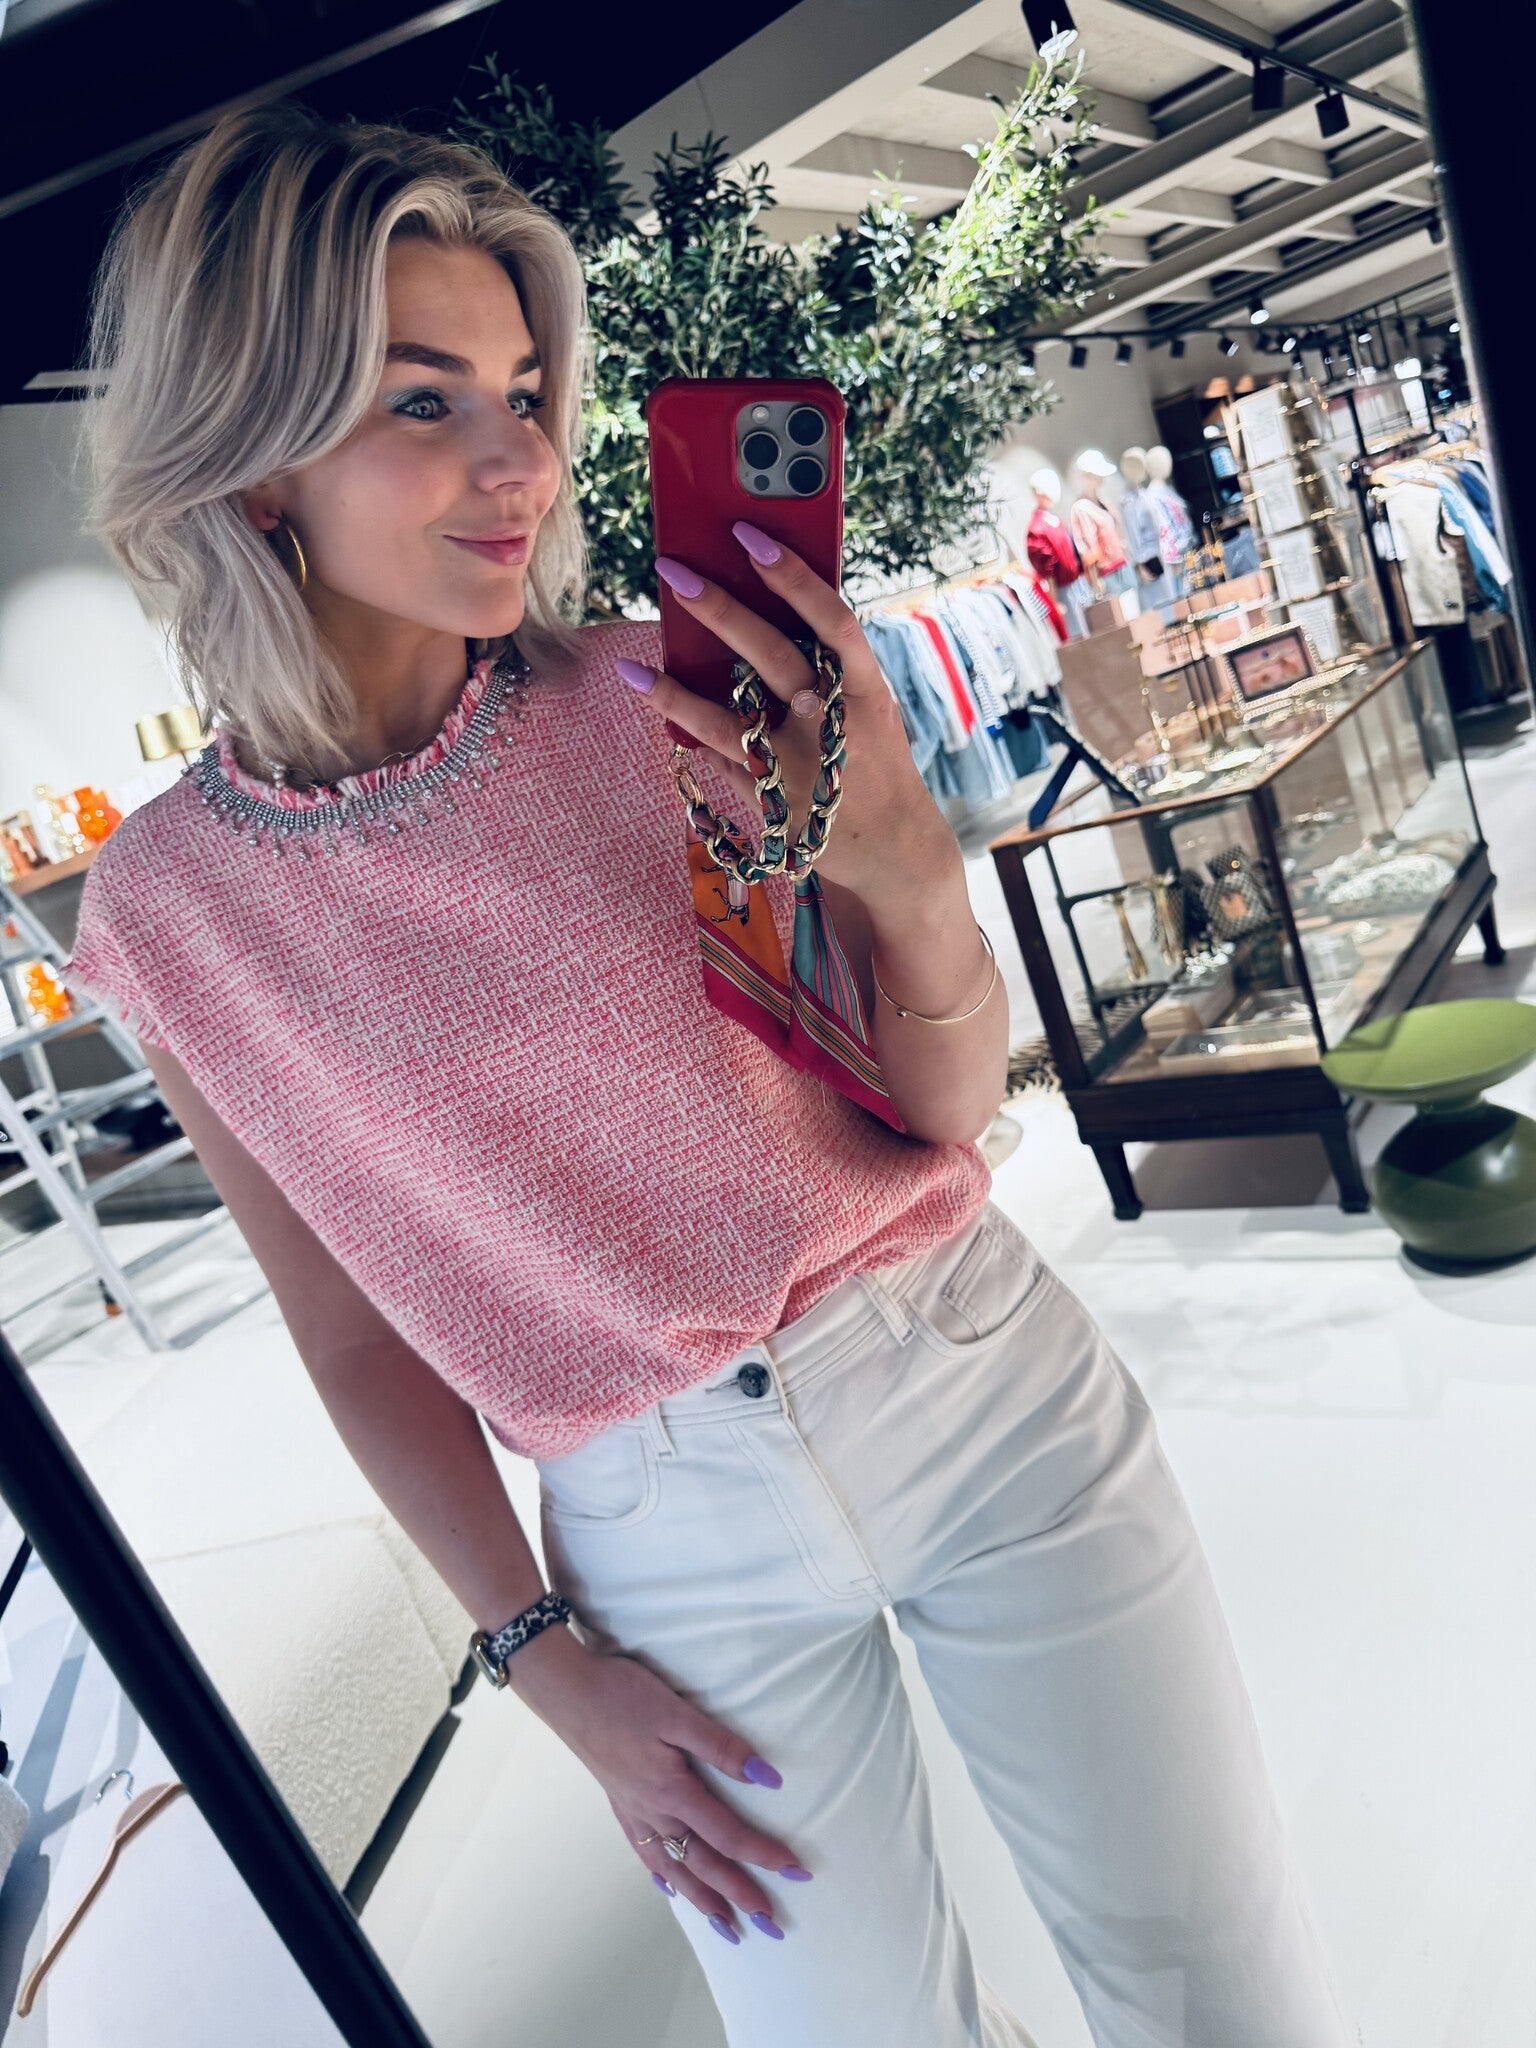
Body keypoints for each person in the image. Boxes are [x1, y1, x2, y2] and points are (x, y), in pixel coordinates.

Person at [66, 100, 1354, 2048]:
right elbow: (346, 1329)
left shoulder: (661, 697)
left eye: (525, 392)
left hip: (968, 1377)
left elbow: (940, 1112)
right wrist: (538, 1660)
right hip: (658, 1532)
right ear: (252, 464)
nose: (521, 460)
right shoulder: (171, 915)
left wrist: (909, 868)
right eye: (424, 403)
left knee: (1218, 1989)